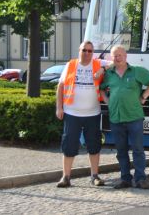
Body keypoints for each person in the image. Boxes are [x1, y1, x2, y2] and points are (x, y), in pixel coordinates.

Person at [99, 45, 149, 189]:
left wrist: (144, 96)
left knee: (138, 149)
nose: (117, 58)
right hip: (116, 118)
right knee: (121, 151)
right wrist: (108, 102)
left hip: (134, 117)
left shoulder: (137, 71)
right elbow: (101, 89)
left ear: (126, 56)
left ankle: (140, 179)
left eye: (120, 55)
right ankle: (125, 179)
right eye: (114, 56)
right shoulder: (109, 74)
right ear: (111, 58)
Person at [55, 40, 111, 188]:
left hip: (93, 113)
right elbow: (60, 86)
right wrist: (59, 107)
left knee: (94, 145)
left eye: (90, 51)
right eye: (84, 50)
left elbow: (118, 61)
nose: (87, 53)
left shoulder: (98, 63)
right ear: (79, 50)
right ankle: (66, 177)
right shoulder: (71, 65)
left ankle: (94, 176)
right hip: (71, 113)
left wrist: (103, 70)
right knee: (69, 145)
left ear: (93, 53)